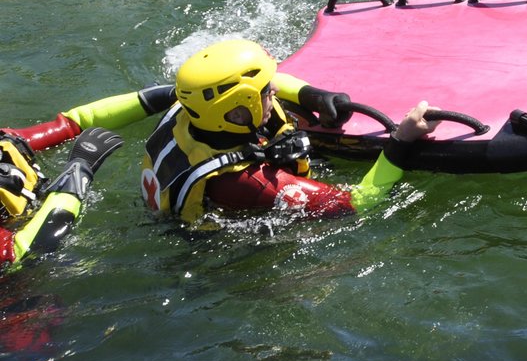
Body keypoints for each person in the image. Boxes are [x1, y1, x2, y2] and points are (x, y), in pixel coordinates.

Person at [119, 38, 438, 227]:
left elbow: (268, 84)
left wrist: (310, 95)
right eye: (263, 91)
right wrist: (401, 141)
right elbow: (359, 203)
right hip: (227, 261)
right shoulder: (248, 185)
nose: (274, 88)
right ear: (237, 109)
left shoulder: (188, 112)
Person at [0, 118, 122, 266]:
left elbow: (71, 124)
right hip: (32, 279)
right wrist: (76, 174)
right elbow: (23, 252)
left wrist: (151, 99)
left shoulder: (5, 144)